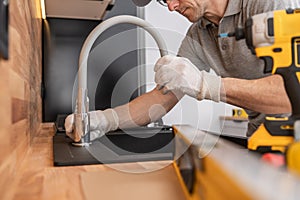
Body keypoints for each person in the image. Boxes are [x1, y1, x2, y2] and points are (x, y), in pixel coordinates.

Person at [65, 0, 291, 141]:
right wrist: (105, 120)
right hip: (261, 136)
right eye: (165, 1)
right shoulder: (199, 35)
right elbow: (161, 99)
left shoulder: (265, 3)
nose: (172, 7)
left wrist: (204, 84)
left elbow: (290, 96)